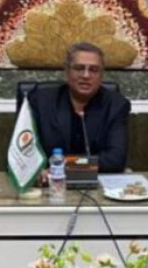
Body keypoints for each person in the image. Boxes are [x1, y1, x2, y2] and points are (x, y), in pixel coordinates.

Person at [27, 41, 131, 173]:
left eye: (93, 70)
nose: (86, 75)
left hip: (96, 180)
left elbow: (115, 160)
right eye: (79, 68)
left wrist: (64, 167)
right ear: (67, 71)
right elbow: (24, 153)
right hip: (49, 181)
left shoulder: (116, 105)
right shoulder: (40, 101)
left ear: (101, 75)